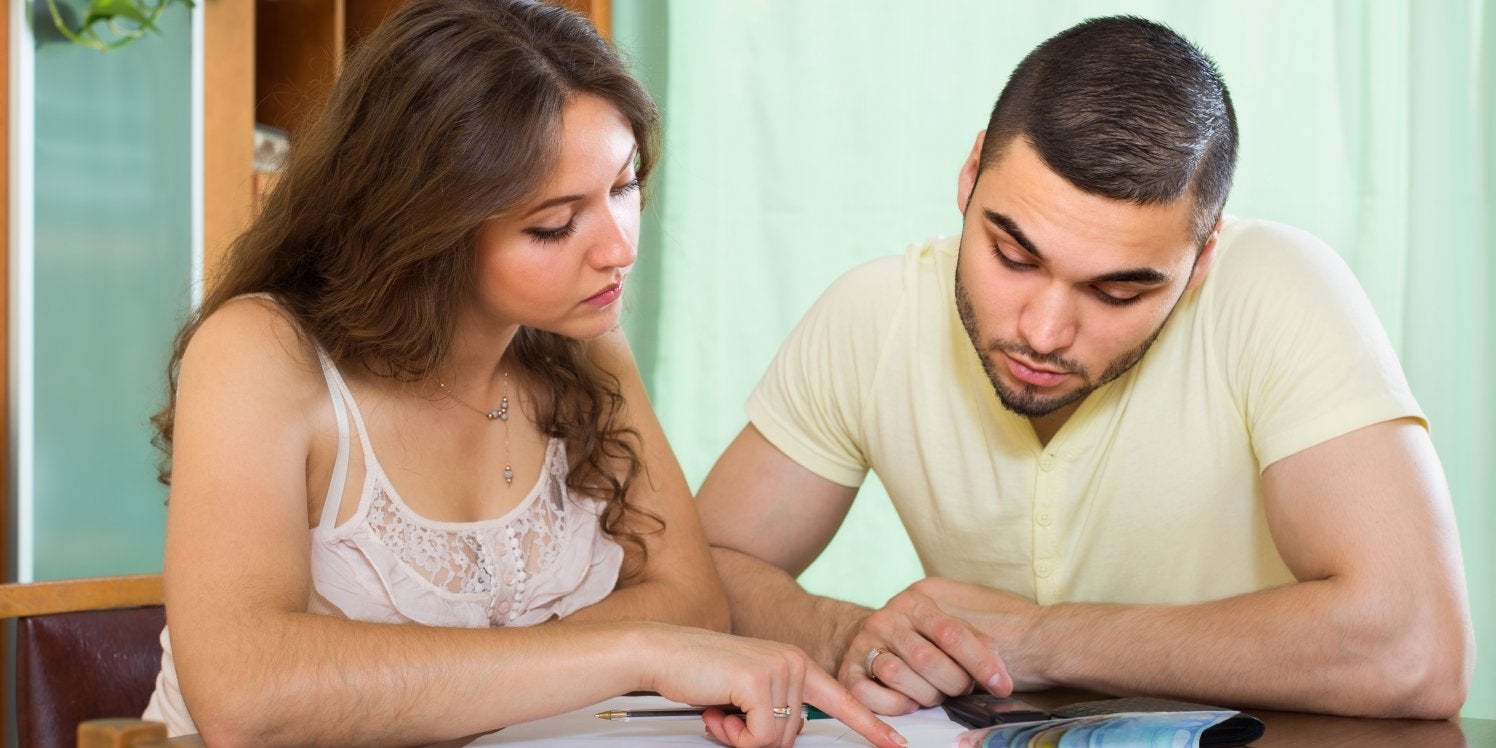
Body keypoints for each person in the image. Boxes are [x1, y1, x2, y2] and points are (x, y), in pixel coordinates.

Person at [142, 2, 905, 746]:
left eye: (624, 186)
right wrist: (631, 650)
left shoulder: (579, 344)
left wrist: (411, 687)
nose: (618, 248)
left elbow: (692, 603)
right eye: (554, 225)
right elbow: (246, 696)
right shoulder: (262, 353)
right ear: (426, 229)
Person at [696, 15, 1473, 721]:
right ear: (969, 177)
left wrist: (1042, 640)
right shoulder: (873, 316)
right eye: (1012, 255)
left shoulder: (1278, 289)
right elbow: (698, 575)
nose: (1043, 331)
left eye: (1117, 290)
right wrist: (855, 634)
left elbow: (1417, 650)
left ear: (1201, 259)